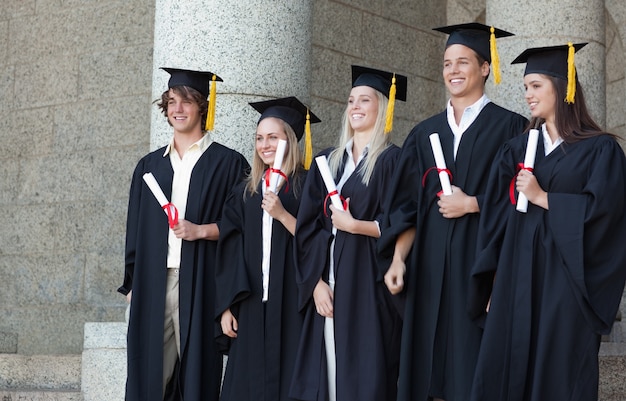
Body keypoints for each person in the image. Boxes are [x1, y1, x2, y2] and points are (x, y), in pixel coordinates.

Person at [378, 23, 528, 401]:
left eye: (463, 62)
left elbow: (523, 199)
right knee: (426, 368)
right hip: (428, 267)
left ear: (485, 68)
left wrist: (473, 203)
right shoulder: (424, 133)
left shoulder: (512, 127)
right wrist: (398, 259)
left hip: (480, 265)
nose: (454, 71)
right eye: (447, 63)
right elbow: (406, 207)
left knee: (472, 365)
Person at [468, 43, 626, 401]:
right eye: (525, 87)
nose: (527, 94)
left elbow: (608, 217)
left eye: (536, 85)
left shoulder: (600, 150)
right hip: (515, 278)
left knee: (558, 372)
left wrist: (544, 198)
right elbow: (496, 219)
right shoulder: (517, 149)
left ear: (563, 85)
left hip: (565, 283)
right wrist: (492, 277)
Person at [118, 67, 250, 401]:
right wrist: (133, 282)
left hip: (203, 281)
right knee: (148, 373)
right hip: (153, 282)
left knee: (197, 374)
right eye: (172, 102)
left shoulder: (229, 164)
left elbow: (242, 227)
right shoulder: (149, 167)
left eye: (187, 101)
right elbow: (135, 229)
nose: (178, 109)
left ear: (203, 106)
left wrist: (200, 230)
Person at [289, 66, 407, 401]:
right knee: (326, 376)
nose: (355, 106)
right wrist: (314, 283)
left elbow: (402, 219)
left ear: (381, 107)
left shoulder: (393, 160)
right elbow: (307, 227)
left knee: (365, 377)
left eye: (364, 100)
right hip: (327, 287)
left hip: (368, 288)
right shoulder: (328, 161)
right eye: (351, 100)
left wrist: (356, 226)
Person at [215, 96, 320, 401]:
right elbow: (229, 249)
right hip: (250, 305)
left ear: (290, 139)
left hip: (293, 304)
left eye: (273, 137)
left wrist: (282, 214)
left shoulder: (308, 186)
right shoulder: (245, 190)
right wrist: (226, 305)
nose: (264, 145)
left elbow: (319, 239)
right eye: (259, 138)